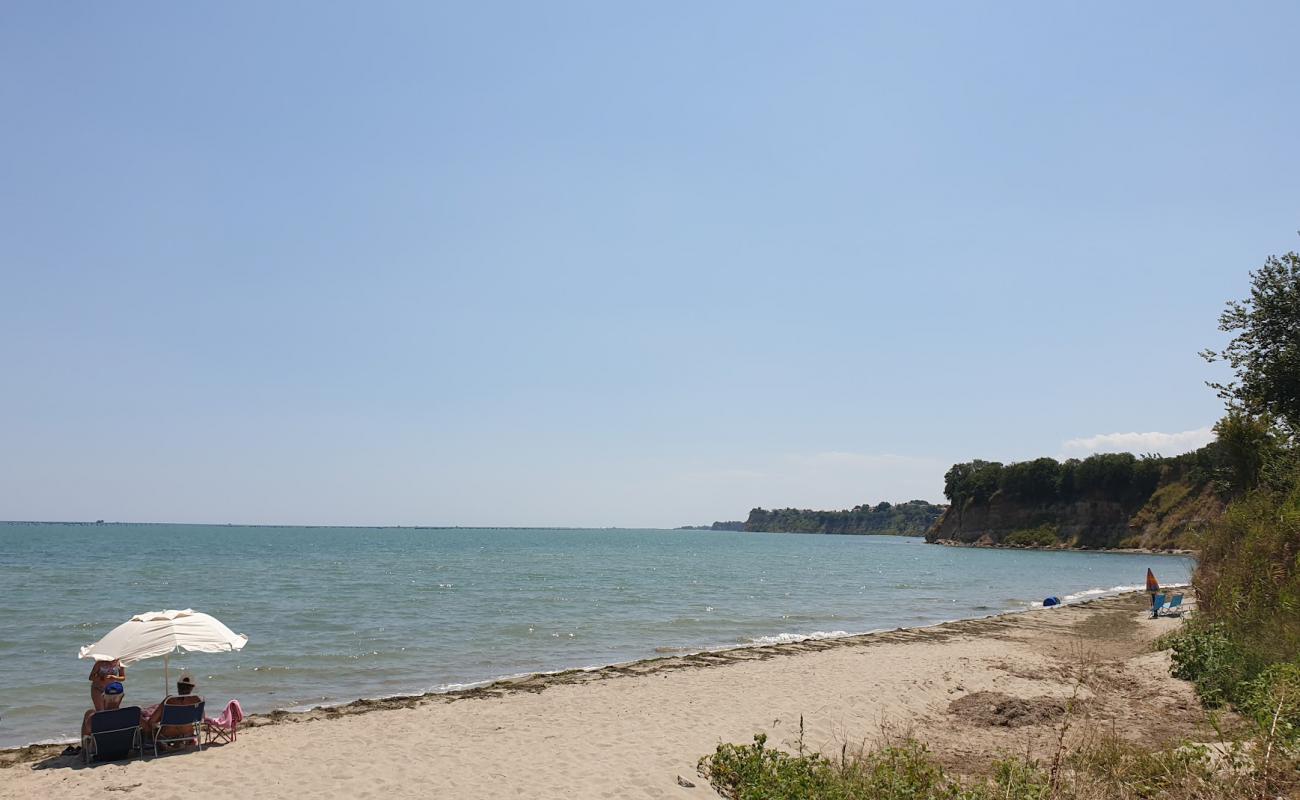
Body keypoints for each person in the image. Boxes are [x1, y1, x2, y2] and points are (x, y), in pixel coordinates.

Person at [142, 674, 203, 748]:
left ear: (178, 686)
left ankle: (160, 744)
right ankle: (179, 742)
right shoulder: (197, 700)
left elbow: (152, 721)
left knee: (147, 727)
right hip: (187, 733)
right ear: (192, 687)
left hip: (168, 734)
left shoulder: (169, 700)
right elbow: (201, 718)